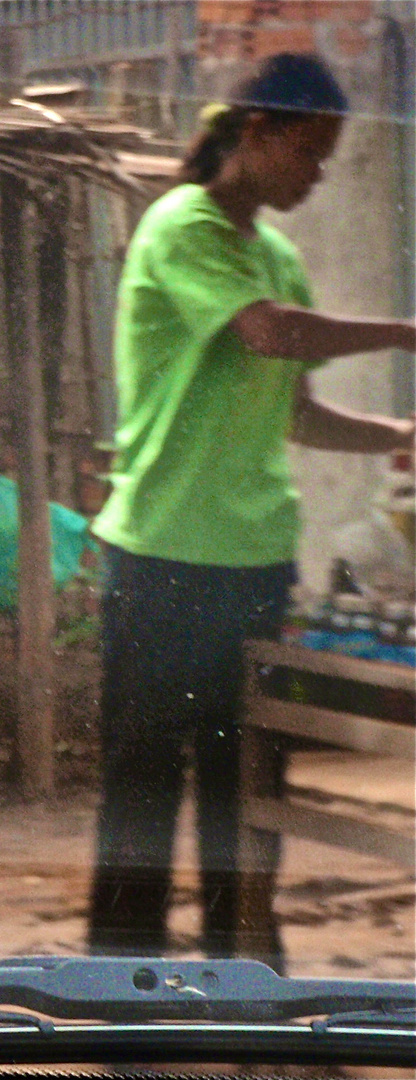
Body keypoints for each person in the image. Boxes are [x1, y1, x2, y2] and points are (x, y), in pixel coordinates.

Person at [86, 53, 416, 969]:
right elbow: (270, 334)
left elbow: (298, 411)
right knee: (144, 788)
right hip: (162, 560)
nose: (316, 175)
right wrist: (404, 330)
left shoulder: (276, 257)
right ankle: (119, 995)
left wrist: (398, 431)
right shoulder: (179, 227)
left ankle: (246, 980)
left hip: (255, 563)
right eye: (309, 152)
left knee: (248, 790)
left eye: (328, 159)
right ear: (257, 132)